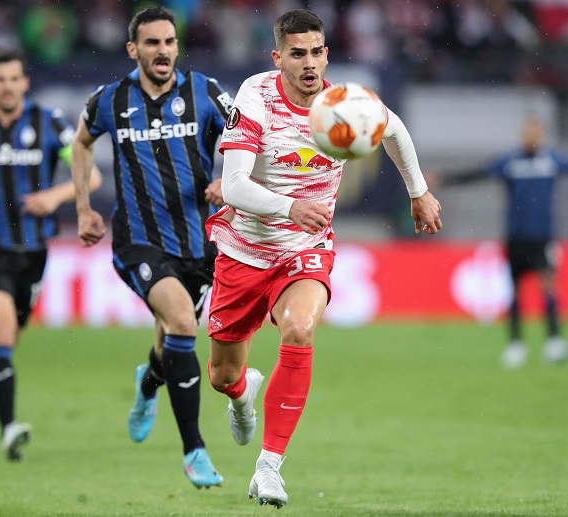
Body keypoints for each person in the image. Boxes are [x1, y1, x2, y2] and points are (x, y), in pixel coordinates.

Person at [204, 9, 443, 508]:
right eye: (297, 54)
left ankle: (269, 468)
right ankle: (243, 394)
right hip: (244, 250)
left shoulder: (343, 105)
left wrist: (418, 191)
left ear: (327, 54)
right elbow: (234, 186)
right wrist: (290, 206)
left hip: (304, 249)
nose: (309, 63)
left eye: (316, 52)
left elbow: (395, 129)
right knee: (222, 374)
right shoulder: (257, 96)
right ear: (277, 58)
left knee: (299, 329)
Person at [70, 6, 233, 488]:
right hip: (138, 241)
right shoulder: (110, 100)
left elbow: (249, 137)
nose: (162, 51)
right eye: (152, 43)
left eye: (169, 42)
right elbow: (81, 143)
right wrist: (83, 207)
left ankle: (148, 383)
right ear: (133, 49)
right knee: (182, 321)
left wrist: (228, 179)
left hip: (199, 245)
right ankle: (194, 451)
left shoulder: (205, 92)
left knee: (172, 340)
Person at [0, 47, 102, 461]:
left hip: (33, 251)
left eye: (14, 79)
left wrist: (55, 196)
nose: (7, 87)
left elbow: (91, 175)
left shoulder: (49, 123)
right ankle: (9, 429)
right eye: (0, 80)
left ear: (25, 82)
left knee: (6, 337)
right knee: (3, 332)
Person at [489, 117, 568, 368]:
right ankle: (515, 344)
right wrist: (444, 178)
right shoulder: (510, 161)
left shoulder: (551, 161)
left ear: (542, 135)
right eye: (527, 132)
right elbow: (480, 172)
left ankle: (553, 341)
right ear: (522, 135)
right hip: (516, 237)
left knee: (548, 286)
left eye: (535, 132)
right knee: (515, 290)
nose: (531, 137)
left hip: (542, 236)